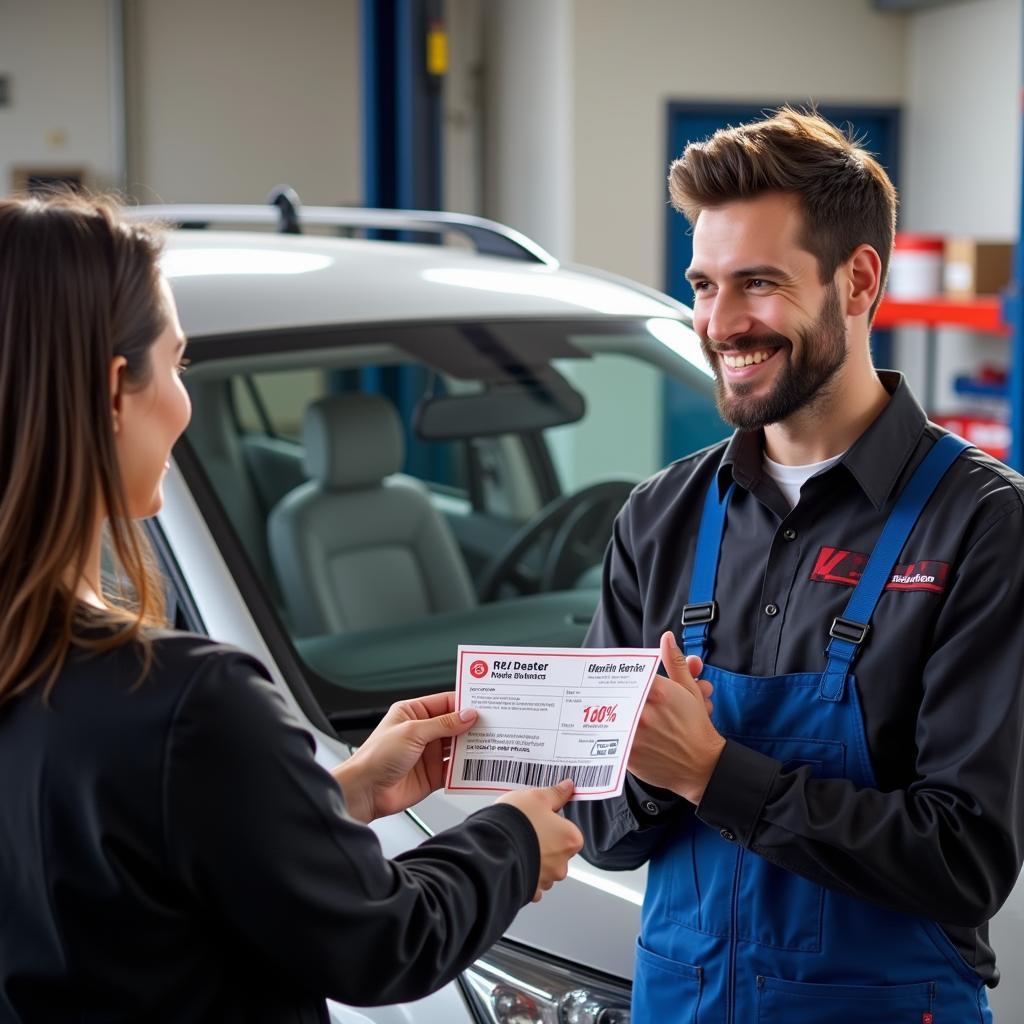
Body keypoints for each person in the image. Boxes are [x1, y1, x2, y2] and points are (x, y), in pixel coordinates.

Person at [0, 193, 584, 1023]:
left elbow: (122, 864)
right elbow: (383, 940)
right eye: (178, 365)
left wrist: (331, 796)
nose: (184, 402)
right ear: (114, 391)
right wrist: (513, 841)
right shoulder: (183, 701)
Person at [566, 108, 1024, 1022]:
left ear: (858, 282)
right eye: (703, 284)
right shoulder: (661, 516)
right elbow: (597, 829)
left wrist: (712, 773)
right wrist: (653, 774)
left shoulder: (980, 524)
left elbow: (965, 859)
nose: (721, 323)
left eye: (759, 283)